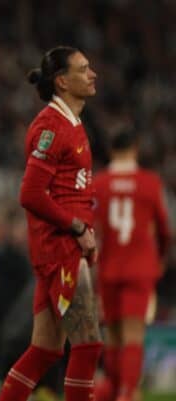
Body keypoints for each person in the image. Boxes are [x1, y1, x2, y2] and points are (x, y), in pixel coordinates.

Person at [0, 46, 103, 401]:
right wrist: (77, 227)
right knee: (88, 345)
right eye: (84, 69)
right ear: (62, 81)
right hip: (60, 248)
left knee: (46, 349)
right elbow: (30, 194)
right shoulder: (50, 126)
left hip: (60, 246)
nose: (93, 75)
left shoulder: (70, 122)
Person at [92, 130, 171, 401]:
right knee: (134, 335)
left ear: (112, 151)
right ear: (135, 149)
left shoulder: (99, 183)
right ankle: (127, 393)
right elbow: (163, 229)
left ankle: (114, 391)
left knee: (113, 335)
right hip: (140, 268)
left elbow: (92, 227)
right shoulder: (149, 183)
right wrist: (159, 258)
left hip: (110, 268)